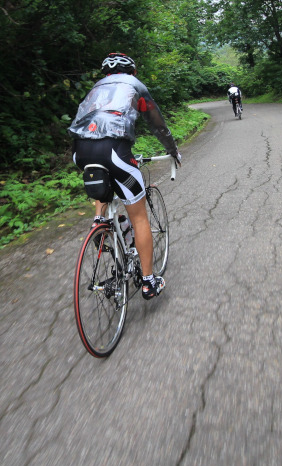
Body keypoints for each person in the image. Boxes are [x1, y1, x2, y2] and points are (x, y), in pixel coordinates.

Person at [68, 52, 182, 300]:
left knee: (104, 182)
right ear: (132, 71)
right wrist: (172, 150)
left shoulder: (96, 88)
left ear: (107, 74)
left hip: (79, 151)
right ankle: (149, 282)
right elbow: (157, 124)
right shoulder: (135, 86)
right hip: (114, 151)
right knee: (139, 217)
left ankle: (99, 223)